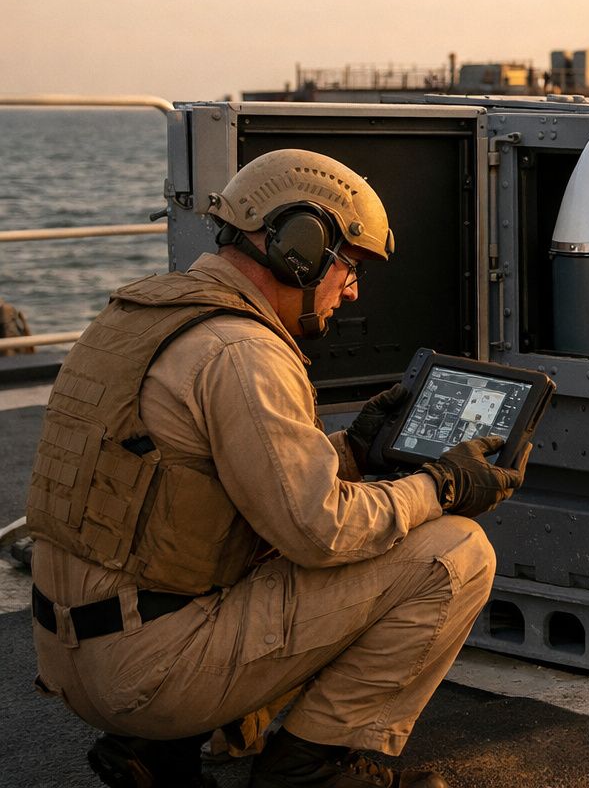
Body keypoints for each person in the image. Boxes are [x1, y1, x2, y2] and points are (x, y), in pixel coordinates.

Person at [27, 149, 529, 787]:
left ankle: (159, 749)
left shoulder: (141, 314)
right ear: (301, 247)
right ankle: (308, 769)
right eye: (349, 265)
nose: (353, 289)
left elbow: (202, 490)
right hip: (148, 674)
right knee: (454, 553)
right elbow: (320, 532)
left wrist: (352, 450)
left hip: (77, 655)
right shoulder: (243, 351)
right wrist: (442, 485)